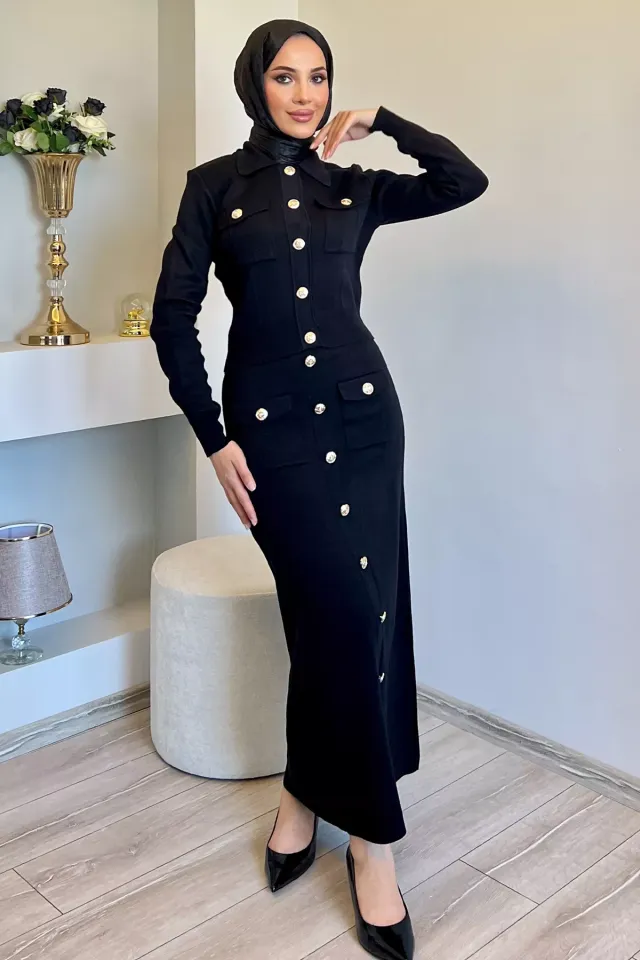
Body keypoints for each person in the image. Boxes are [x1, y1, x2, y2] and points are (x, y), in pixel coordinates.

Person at [150, 18, 488, 960]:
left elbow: (462, 181)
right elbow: (173, 315)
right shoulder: (213, 187)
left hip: (367, 424)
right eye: (286, 76)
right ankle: (366, 835)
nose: (305, 94)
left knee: (361, 619)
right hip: (273, 440)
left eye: (320, 77)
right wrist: (213, 436)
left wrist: (385, 120)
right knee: (334, 614)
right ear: (254, 83)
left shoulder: (353, 185)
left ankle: (324, 814)